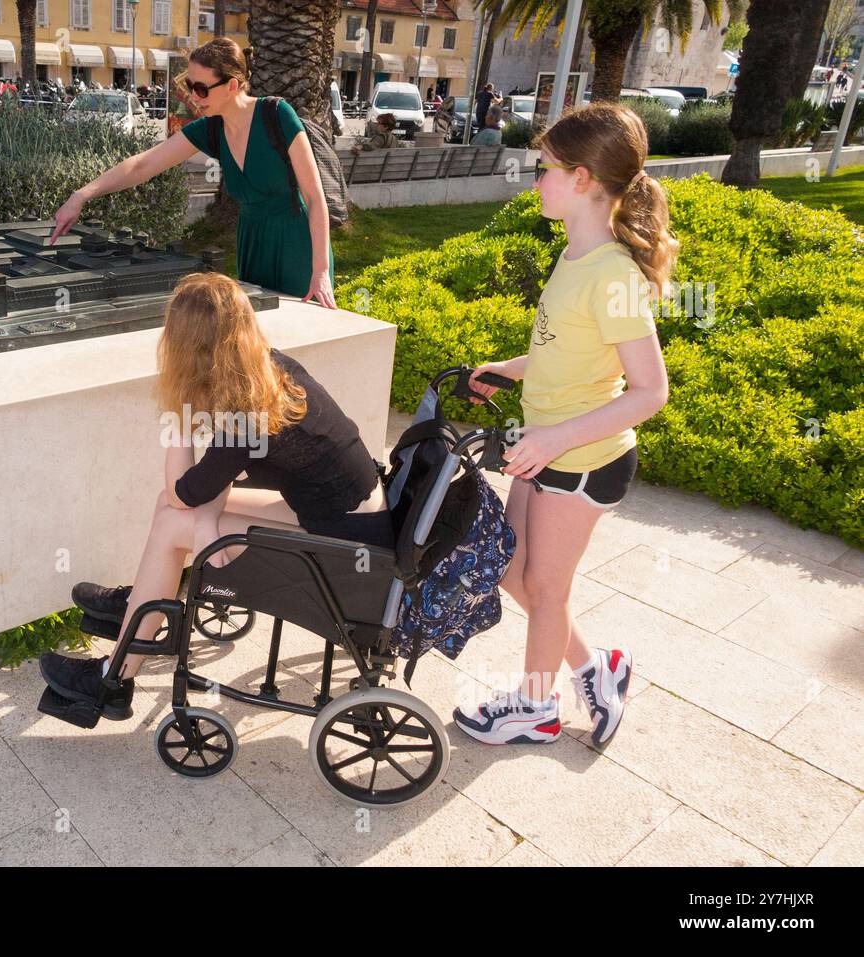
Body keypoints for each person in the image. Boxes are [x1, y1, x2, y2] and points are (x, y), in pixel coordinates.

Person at [39, 273, 392, 717]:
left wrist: (178, 417)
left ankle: (114, 679)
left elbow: (187, 489)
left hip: (346, 543)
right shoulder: (265, 369)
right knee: (169, 509)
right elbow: (211, 479)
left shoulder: (247, 410)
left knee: (172, 518)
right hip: (352, 514)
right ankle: (141, 608)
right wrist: (205, 519)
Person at [453, 103, 673, 747]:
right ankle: (594, 668)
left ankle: (535, 709)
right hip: (544, 448)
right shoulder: (576, 256)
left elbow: (650, 391)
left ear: (581, 179)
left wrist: (554, 438)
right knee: (513, 571)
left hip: (583, 458)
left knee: (544, 588)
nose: (535, 180)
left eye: (543, 168)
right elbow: (565, 348)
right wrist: (512, 368)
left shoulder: (612, 276)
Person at [48, 37, 336, 306]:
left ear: (232, 86)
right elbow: (143, 164)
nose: (193, 96)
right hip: (252, 243)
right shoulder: (211, 129)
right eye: (189, 85)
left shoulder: (277, 115)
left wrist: (320, 271)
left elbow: (315, 198)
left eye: (201, 88)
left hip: (298, 246)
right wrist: (81, 195)